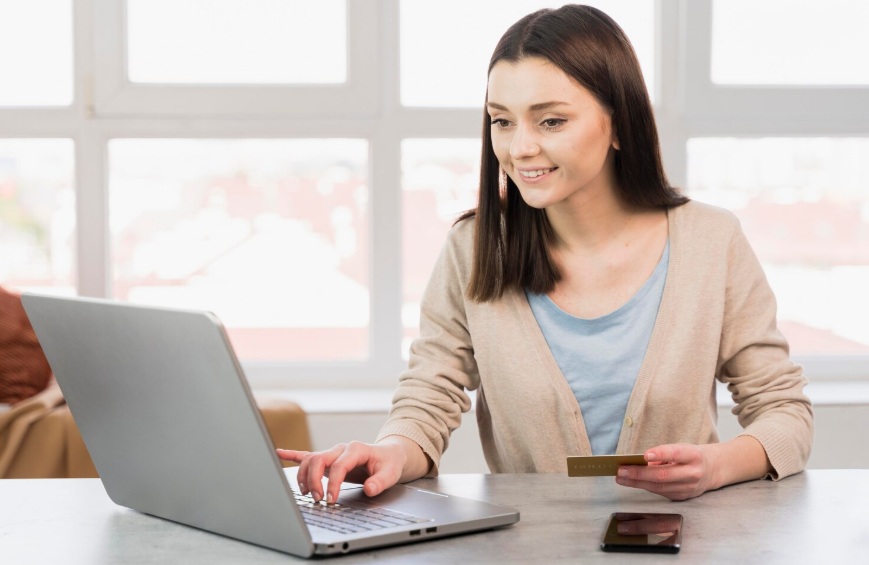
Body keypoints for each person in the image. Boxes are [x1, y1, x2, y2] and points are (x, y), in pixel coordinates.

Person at [278, 4, 813, 503]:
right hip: (527, 549)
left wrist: (718, 465)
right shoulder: (474, 247)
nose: (519, 147)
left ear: (620, 124)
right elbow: (429, 395)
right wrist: (389, 450)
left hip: (683, 546)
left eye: (551, 120)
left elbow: (784, 413)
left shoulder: (711, 243)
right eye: (502, 120)